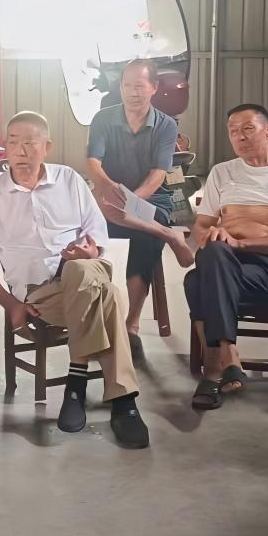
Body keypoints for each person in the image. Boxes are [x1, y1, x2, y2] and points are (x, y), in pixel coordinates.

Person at [0, 111, 149, 449]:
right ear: (5, 146)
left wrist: (90, 249)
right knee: (108, 296)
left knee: (80, 270)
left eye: (30, 143)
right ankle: (123, 402)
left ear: (47, 147)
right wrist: (11, 304)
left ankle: (76, 382)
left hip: (85, 272)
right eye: (13, 142)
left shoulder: (69, 180)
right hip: (40, 296)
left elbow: (97, 233)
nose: (21, 151)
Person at [186, 104, 268, 412]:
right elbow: (201, 226)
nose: (240, 137)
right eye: (233, 131)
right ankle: (226, 358)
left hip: (264, 269)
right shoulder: (222, 172)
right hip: (221, 260)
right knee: (214, 250)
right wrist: (214, 236)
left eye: (248, 129)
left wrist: (240, 244)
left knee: (195, 281)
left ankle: (215, 368)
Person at [85, 58, 180, 361]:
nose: (132, 92)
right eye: (127, 85)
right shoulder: (103, 118)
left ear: (154, 88)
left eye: (139, 86)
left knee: (146, 240)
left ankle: (131, 326)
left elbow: (158, 174)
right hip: (108, 195)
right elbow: (93, 163)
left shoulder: (166, 125)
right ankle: (93, 320)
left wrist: (132, 202)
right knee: (85, 234)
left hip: (150, 199)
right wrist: (107, 187)